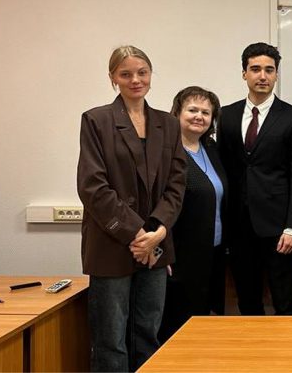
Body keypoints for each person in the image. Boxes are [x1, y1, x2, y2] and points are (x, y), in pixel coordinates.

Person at [77, 45, 185, 372]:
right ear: (113, 78)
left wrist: (158, 232)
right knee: (111, 340)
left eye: (142, 73)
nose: (135, 80)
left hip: (156, 244)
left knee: (147, 333)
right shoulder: (96, 120)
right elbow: (92, 186)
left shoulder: (168, 123)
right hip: (112, 242)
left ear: (151, 75)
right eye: (126, 74)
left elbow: (176, 184)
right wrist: (139, 235)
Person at [217, 42, 292, 316]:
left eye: (269, 70)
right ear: (244, 73)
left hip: (279, 227)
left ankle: (289, 346)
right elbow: (223, 169)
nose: (262, 76)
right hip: (238, 226)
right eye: (255, 69)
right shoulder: (227, 115)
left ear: (276, 74)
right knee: (247, 301)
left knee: (284, 301)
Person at [159, 86, 227, 342]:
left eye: (206, 113)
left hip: (212, 252)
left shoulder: (211, 148)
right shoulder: (166, 152)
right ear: (177, 113)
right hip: (179, 255)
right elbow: (157, 204)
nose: (199, 116)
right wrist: (161, 250)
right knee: (178, 326)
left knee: (203, 324)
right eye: (192, 110)